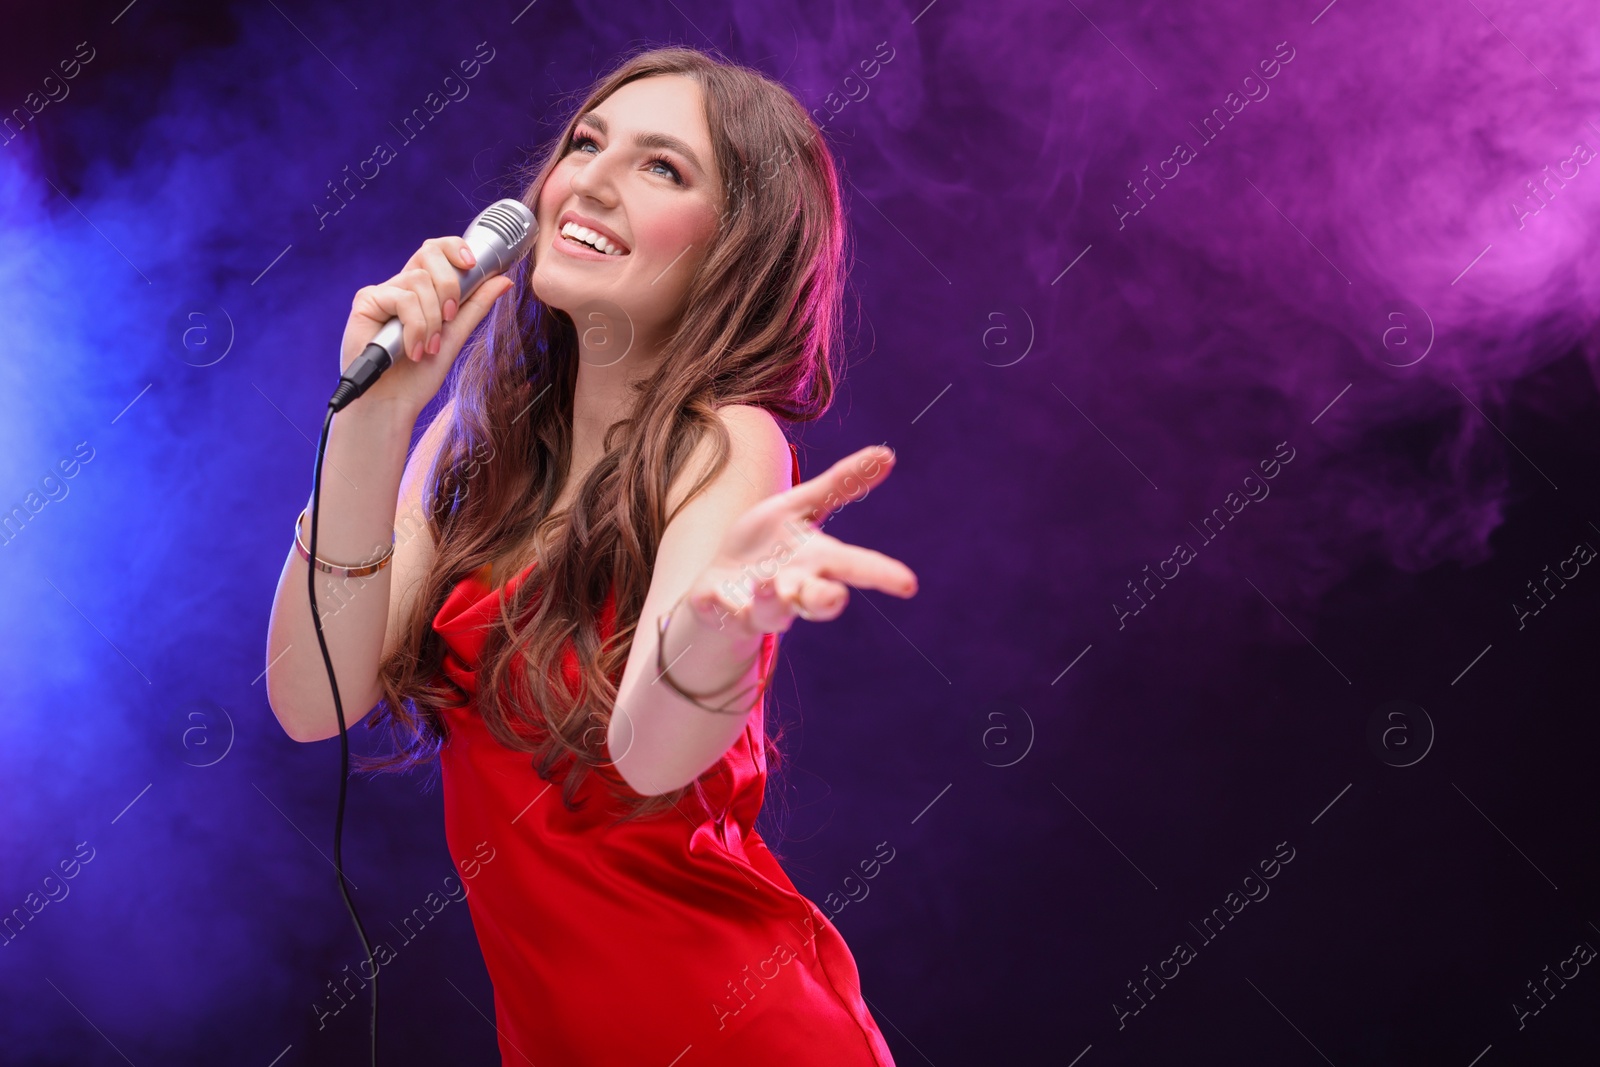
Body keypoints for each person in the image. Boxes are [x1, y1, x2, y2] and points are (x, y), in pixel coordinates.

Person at [265, 44, 917, 1065]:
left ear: (735, 250)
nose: (590, 180)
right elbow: (311, 700)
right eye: (585, 142)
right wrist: (371, 421)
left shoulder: (726, 441)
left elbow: (652, 755)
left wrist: (711, 631)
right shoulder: (475, 438)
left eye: (662, 167)